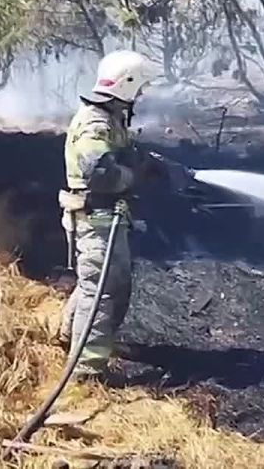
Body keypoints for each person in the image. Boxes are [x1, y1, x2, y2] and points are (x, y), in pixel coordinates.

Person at [57, 49, 163, 378]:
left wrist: (149, 164)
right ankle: (86, 371)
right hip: (95, 220)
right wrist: (134, 175)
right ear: (126, 84)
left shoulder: (108, 117)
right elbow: (99, 173)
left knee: (101, 285)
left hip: (106, 219)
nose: (142, 94)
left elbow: (118, 156)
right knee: (100, 292)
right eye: (140, 87)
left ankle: (68, 337)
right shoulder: (94, 123)